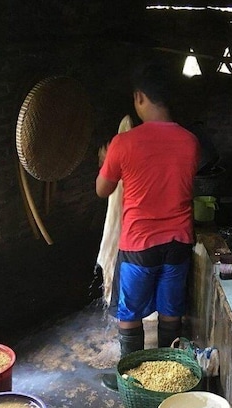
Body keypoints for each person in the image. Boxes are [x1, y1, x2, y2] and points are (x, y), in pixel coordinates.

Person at [96, 60, 200, 389]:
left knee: (130, 313)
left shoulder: (123, 143)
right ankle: (166, 377)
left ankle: (131, 378)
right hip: (179, 241)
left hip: (139, 244)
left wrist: (106, 163)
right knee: (171, 311)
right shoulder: (190, 141)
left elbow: (103, 190)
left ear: (140, 97)